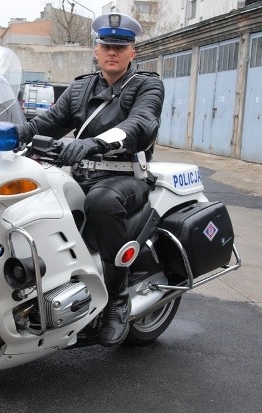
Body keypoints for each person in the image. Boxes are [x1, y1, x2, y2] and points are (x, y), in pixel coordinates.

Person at [16, 13, 165, 346]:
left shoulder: (147, 85)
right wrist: (7, 133)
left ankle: (117, 297)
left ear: (132, 52)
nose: (112, 52)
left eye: (119, 46)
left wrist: (95, 143)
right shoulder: (81, 88)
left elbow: (140, 124)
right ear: (95, 50)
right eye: (105, 45)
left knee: (100, 202)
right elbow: (47, 123)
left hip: (126, 178)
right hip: (80, 174)